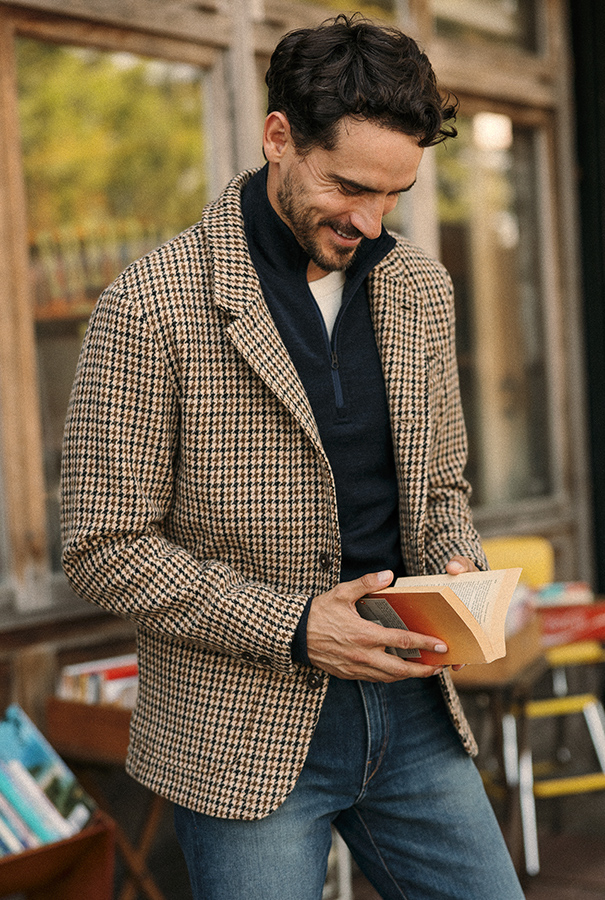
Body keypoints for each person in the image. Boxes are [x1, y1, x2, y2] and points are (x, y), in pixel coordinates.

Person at [61, 14, 525, 900]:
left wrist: (455, 563)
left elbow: (440, 485)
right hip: (241, 733)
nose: (371, 221)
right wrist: (296, 628)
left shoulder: (420, 286)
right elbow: (101, 546)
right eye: (349, 185)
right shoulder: (148, 305)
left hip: (416, 710)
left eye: (395, 193)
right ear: (279, 137)